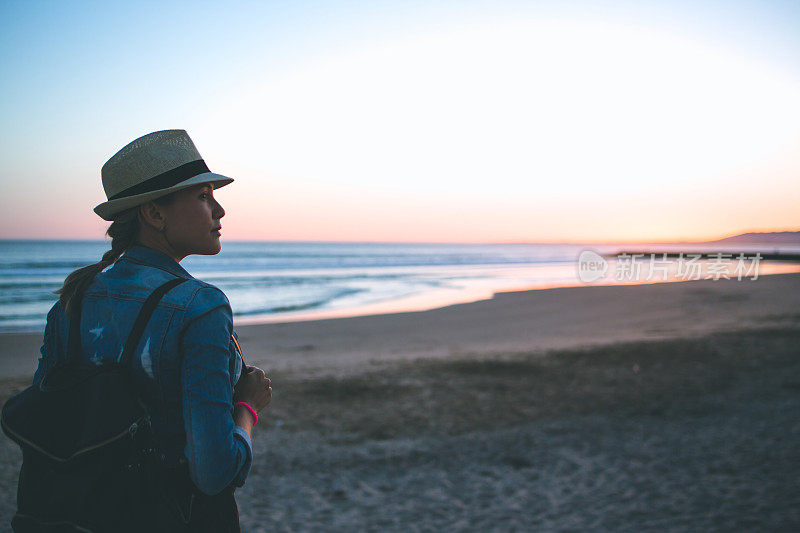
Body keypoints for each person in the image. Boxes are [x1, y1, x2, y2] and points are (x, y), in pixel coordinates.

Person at [33, 129, 271, 531]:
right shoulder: (200, 305)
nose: (219, 210)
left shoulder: (73, 299)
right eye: (203, 196)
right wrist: (247, 408)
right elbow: (213, 474)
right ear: (155, 214)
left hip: (83, 513)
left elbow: (47, 420)